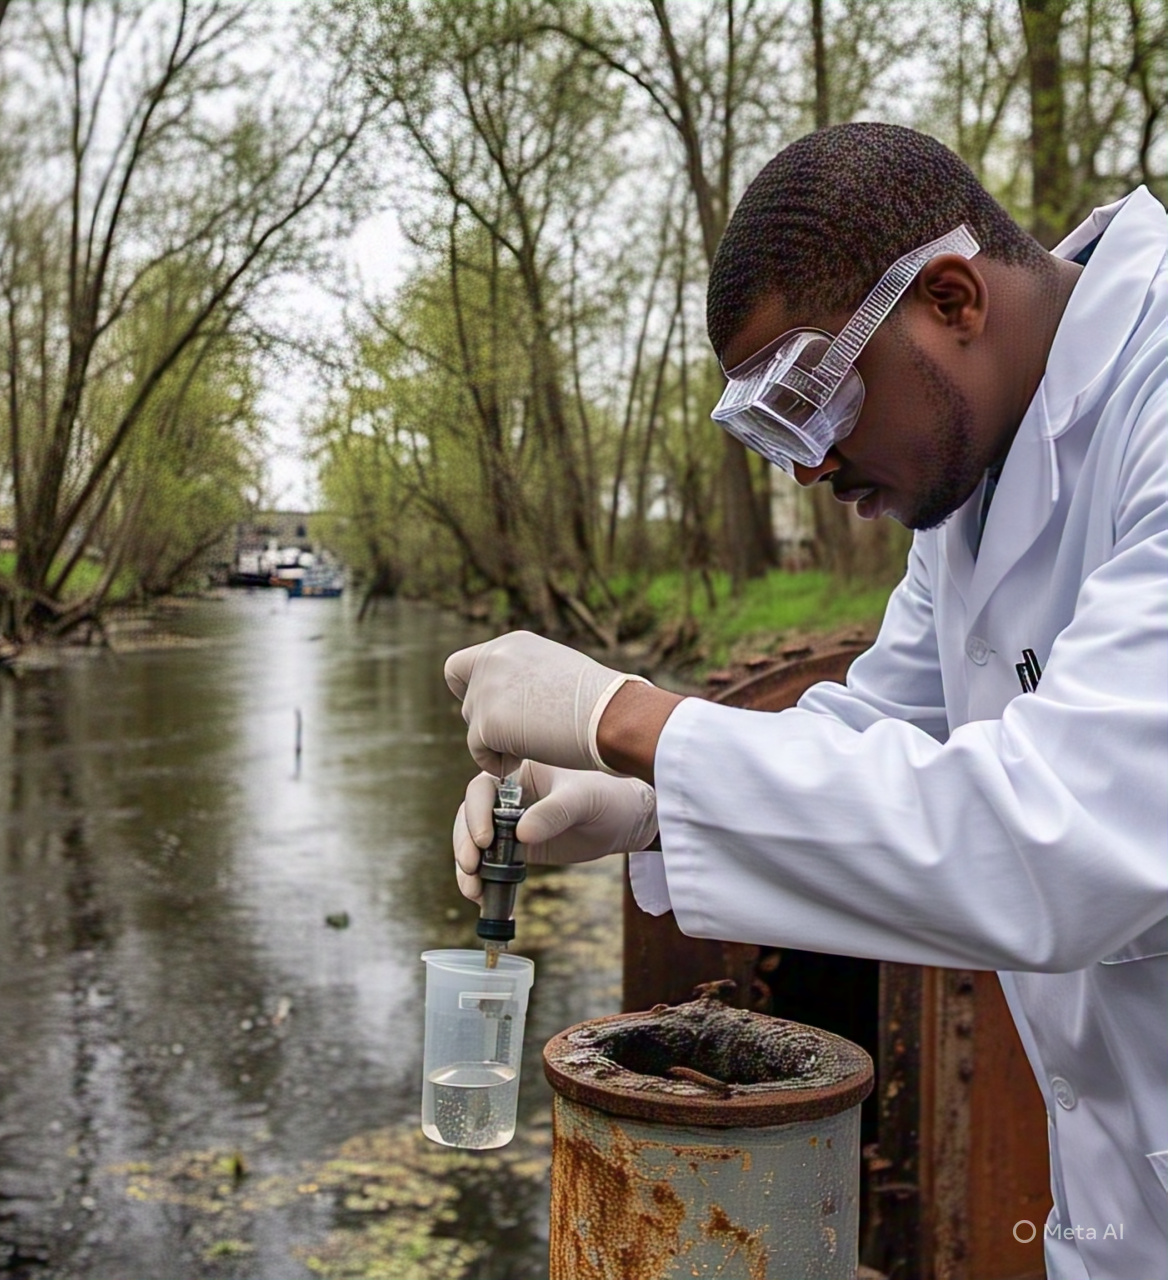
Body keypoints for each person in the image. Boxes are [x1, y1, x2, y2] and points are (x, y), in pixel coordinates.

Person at [445, 124, 1166, 1279]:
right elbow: (878, 730)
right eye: (775, 428)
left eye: (815, 401)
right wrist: (641, 803)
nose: (807, 467)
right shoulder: (970, 483)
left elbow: (1064, 834)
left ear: (949, 298)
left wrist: (620, 713)